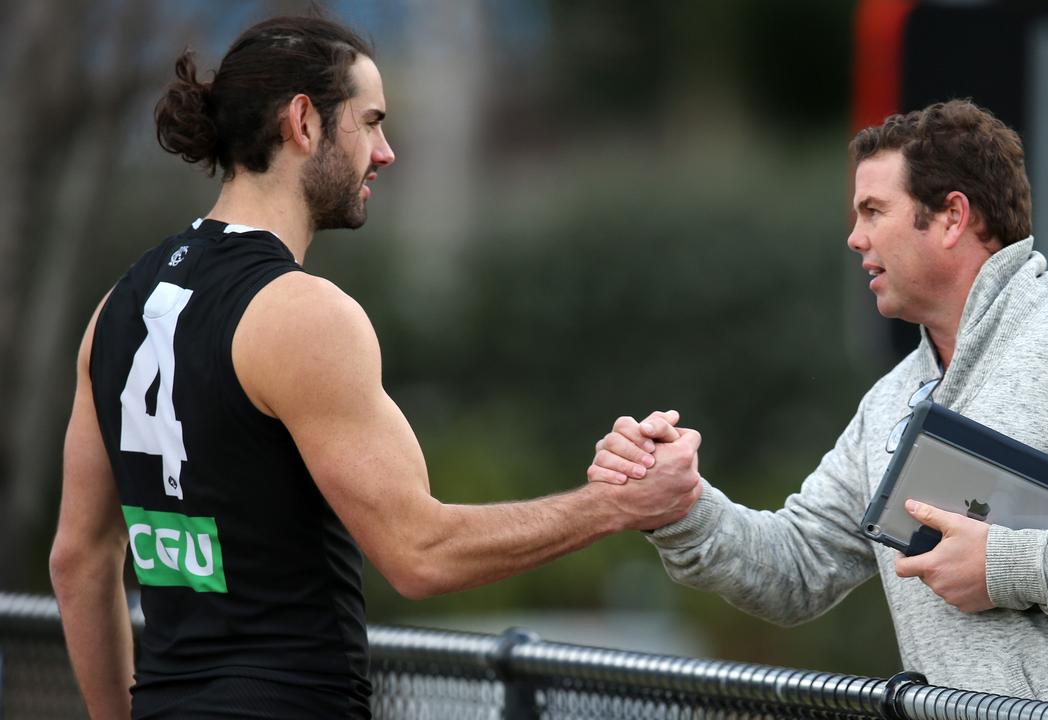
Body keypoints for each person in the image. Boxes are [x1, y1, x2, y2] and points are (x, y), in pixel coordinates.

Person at [47, 15, 701, 720]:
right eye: (371, 121)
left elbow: (77, 561)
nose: (386, 153)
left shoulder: (119, 305)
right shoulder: (303, 315)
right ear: (303, 121)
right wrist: (614, 506)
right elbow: (420, 553)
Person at [589, 99, 1048, 718]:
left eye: (874, 211)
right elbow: (793, 570)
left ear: (953, 217)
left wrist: (1005, 567)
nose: (854, 238)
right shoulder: (890, 403)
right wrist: (681, 507)